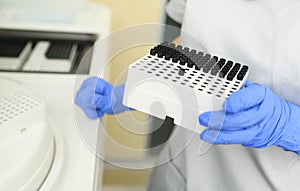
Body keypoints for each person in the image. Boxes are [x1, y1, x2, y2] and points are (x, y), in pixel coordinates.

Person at [75, 0, 300, 190]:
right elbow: (190, 39)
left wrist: (287, 125)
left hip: (268, 181)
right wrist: (141, 85)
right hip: (183, 161)